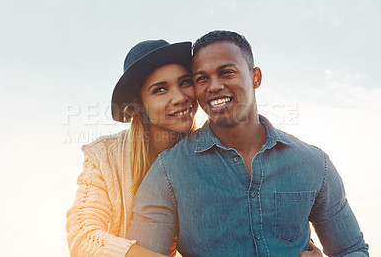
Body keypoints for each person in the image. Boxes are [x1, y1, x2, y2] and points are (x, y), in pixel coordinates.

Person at [126, 31, 369, 257]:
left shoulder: (314, 164)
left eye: (226, 72)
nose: (214, 86)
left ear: (255, 77)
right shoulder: (168, 172)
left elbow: (352, 249)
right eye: (201, 78)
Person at [66, 39, 197, 257]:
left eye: (185, 82)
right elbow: (82, 235)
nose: (180, 97)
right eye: (160, 89)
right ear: (138, 104)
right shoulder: (104, 155)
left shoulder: (212, 152)